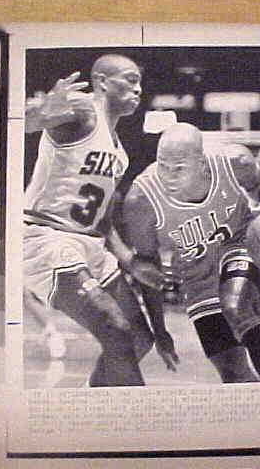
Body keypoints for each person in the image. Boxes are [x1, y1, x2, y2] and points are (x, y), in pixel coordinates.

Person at [23, 55, 176, 387]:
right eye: (130, 79)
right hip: (48, 238)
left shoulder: (119, 151)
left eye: (139, 82)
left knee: (138, 338)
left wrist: (129, 262)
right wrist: (41, 109)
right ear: (103, 82)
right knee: (115, 327)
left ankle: (92, 406)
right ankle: (135, 427)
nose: (138, 89)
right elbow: (28, 120)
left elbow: (103, 216)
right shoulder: (82, 109)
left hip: (90, 244)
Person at [123, 122, 260, 383]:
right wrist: (159, 329)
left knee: (236, 307)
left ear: (201, 163)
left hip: (238, 244)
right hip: (197, 276)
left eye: (179, 168)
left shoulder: (234, 162)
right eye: (163, 165)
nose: (169, 176)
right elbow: (147, 270)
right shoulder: (140, 201)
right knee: (233, 372)